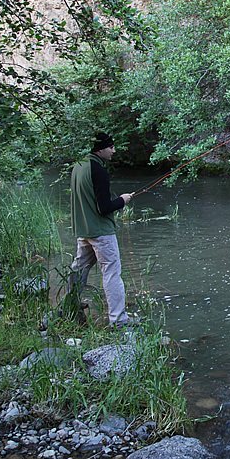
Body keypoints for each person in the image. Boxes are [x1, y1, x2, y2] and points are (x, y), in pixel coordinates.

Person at [67, 132, 134, 326]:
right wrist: (122, 200)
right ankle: (119, 320)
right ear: (101, 149)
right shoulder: (98, 170)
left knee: (78, 269)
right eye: (111, 147)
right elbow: (104, 208)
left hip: (83, 230)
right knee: (112, 273)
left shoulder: (78, 167)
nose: (114, 150)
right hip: (101, 233)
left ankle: (70, 308)